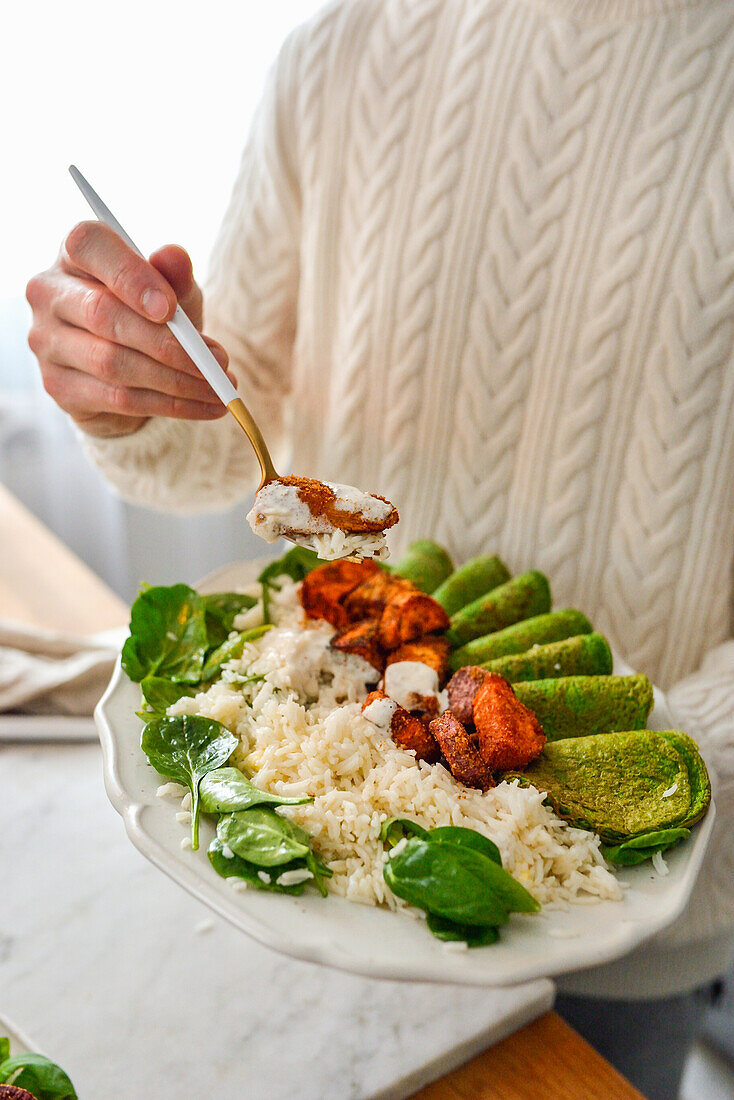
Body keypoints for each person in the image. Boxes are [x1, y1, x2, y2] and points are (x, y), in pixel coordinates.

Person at [25, 0, 734, 1094]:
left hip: (610, 926)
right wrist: (140, 386)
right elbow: (233, 405)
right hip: (307, 829)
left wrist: (654, 786)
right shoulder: (343, 45)